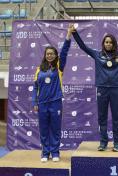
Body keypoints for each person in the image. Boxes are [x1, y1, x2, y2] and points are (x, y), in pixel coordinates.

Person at [70, 25, 118, 152]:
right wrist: (75, 33)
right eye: (106, 42)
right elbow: (83, 47)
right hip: (101, 89)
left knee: (116, 117)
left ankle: (117, 143)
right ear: (103, 44)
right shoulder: (97, 54)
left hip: (115, 89)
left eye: (110, 42)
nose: (108, 44)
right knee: (102, 117)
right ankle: (103, 142)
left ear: (114, 44)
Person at [32, 24, 73, 162]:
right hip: (42, 103)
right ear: (45, 55)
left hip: (55, 102)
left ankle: (55, 152)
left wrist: (68, 35)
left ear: (55, 55)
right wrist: (34, 102)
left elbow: (65, 51)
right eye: (47, 54)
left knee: (55, 128)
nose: (50, 55)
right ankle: (45, 153)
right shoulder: (39, 70)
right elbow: (35, 87)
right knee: (43, 129)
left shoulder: (59, 67)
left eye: (52, 54)